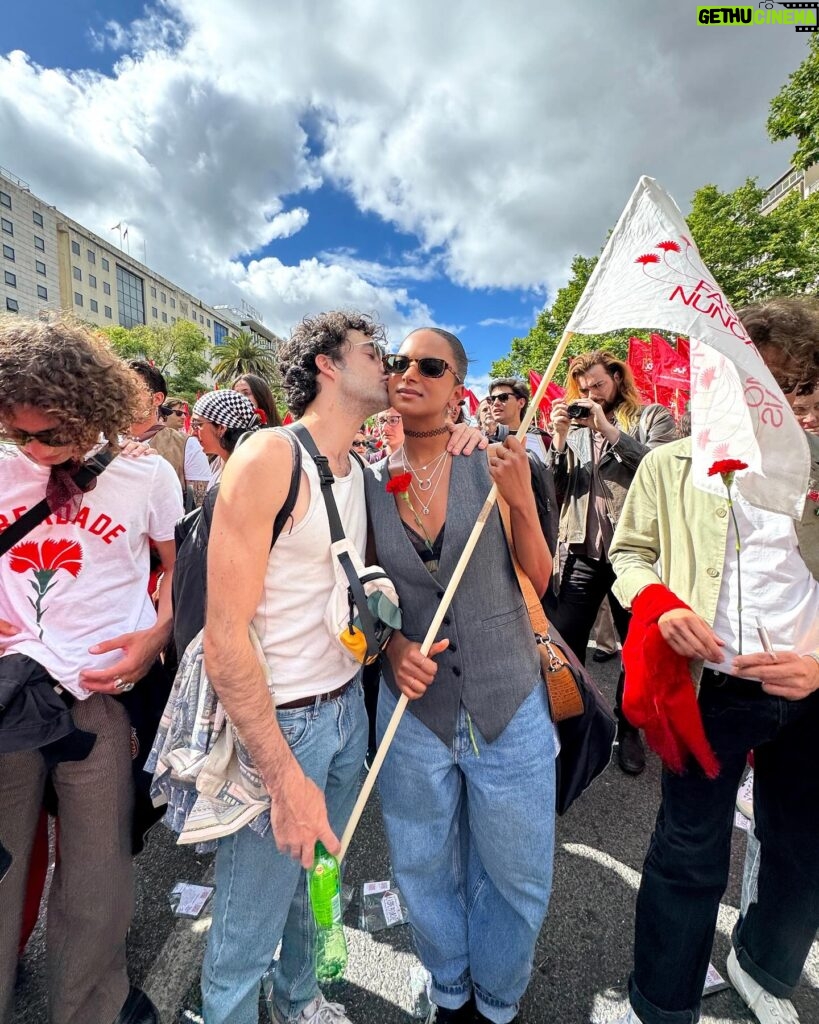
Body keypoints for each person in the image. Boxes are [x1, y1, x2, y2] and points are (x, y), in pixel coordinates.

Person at [196, 311, 485, 1024]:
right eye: (372, 351)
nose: (391, 365)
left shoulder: (360, 468)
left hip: (344, 711)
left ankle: (299, 1000)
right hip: (279, 719)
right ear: (327, 366)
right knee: (245, 921)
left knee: (316, 879)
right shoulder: (267, 456)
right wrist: (282, 776)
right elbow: (223, 636)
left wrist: (468, 438)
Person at [608, 296, 819, 1024]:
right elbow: (627, 555)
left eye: (796, 386)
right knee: (688, 848)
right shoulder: (672, 463)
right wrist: (661, 605)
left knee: (801, 844)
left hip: (810, 690)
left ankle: (762, 965)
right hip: (710, 691)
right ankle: (661, 1003)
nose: (780, 402)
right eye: (761, 381)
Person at [366, 327, 557, 1024]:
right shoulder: (363, 482)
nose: (408, 372)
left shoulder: (498, 462)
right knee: (421, 865)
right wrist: (389, 650)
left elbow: (541, 577)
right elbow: (364, 593)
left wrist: (520, 499)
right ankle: (449, 987)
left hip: (509, 701)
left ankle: (498, 998)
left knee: (514, 873)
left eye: (429, 365)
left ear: (457, 387)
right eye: (397, 362)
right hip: (413, 712)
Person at [0, 316, 182, 1024]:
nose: (36, 450)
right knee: (4, 864)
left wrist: (155, 636)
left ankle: (90, 1011)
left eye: (52, 435)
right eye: (20, 434)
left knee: (96, 876)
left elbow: (175, 572)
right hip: (10, 694)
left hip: (102, 694)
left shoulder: (148, 476)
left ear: (92, 410)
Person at [548, 351, 677, 774]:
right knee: (564, 643)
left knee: (635, 651)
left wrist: (609, 430)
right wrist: (562, 440)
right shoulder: (577, 427)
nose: (591, 396)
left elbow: (661, 471)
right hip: (583, 550)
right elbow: (556, 488)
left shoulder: (650, 416)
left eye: (598, 386)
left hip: (632, 556)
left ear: (617, 379)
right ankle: (573, 726)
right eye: (583, 390)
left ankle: (630, 727)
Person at [128, 362, 210, 509]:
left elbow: (198, 508)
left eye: (132, 390)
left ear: (157, 399)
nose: (122, 397)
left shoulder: (187, 446)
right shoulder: (102, 441)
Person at [190, 389, 261, 489]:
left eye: (197, 424)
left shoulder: (244, 472)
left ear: (221, 428)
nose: (193, 433)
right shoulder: (219, 461)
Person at [487, 378, 550, 460]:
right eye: (492, 399)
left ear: (521, 403)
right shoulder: (484, 442)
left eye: (503, 397)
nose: (495, 403)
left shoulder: (543, 439)